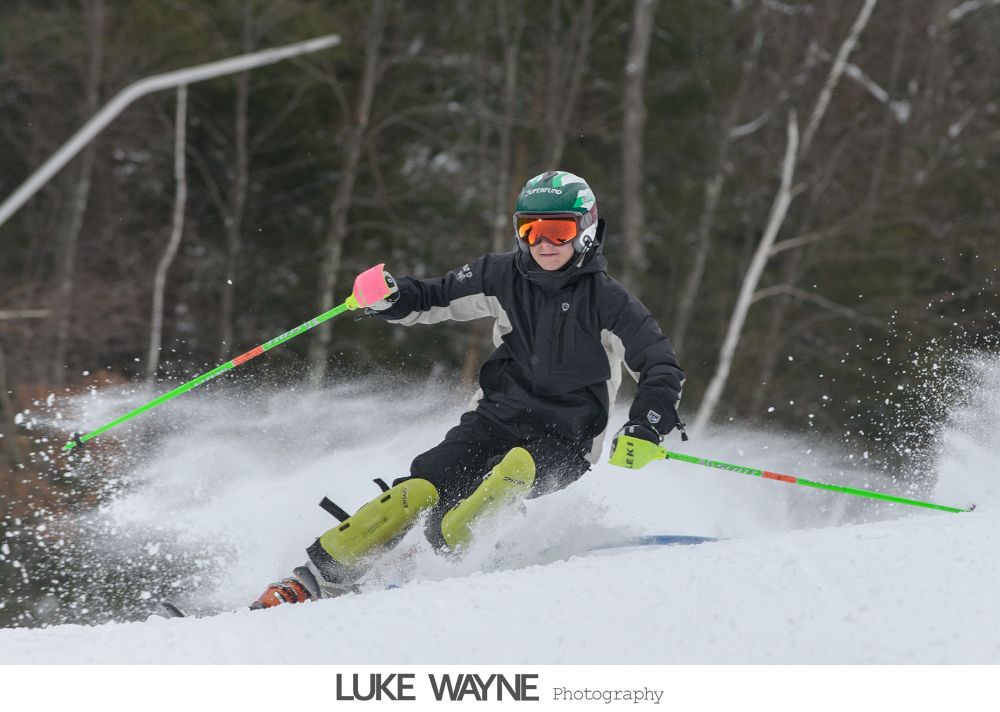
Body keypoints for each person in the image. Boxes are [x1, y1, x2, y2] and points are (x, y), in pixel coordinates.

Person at [252, 170, 686, 608]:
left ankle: (447, 567)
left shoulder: (610, 302)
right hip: (495, 419)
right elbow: (432, 296)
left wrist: (646, 424)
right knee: (414, 492)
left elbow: (660, 365)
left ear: (586, 231)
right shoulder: (501, 275)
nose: (544, 244)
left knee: (500, 482)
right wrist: (389, 296)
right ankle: (313, 582)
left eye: (559, 230)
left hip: (567, 437)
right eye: (531, 231)